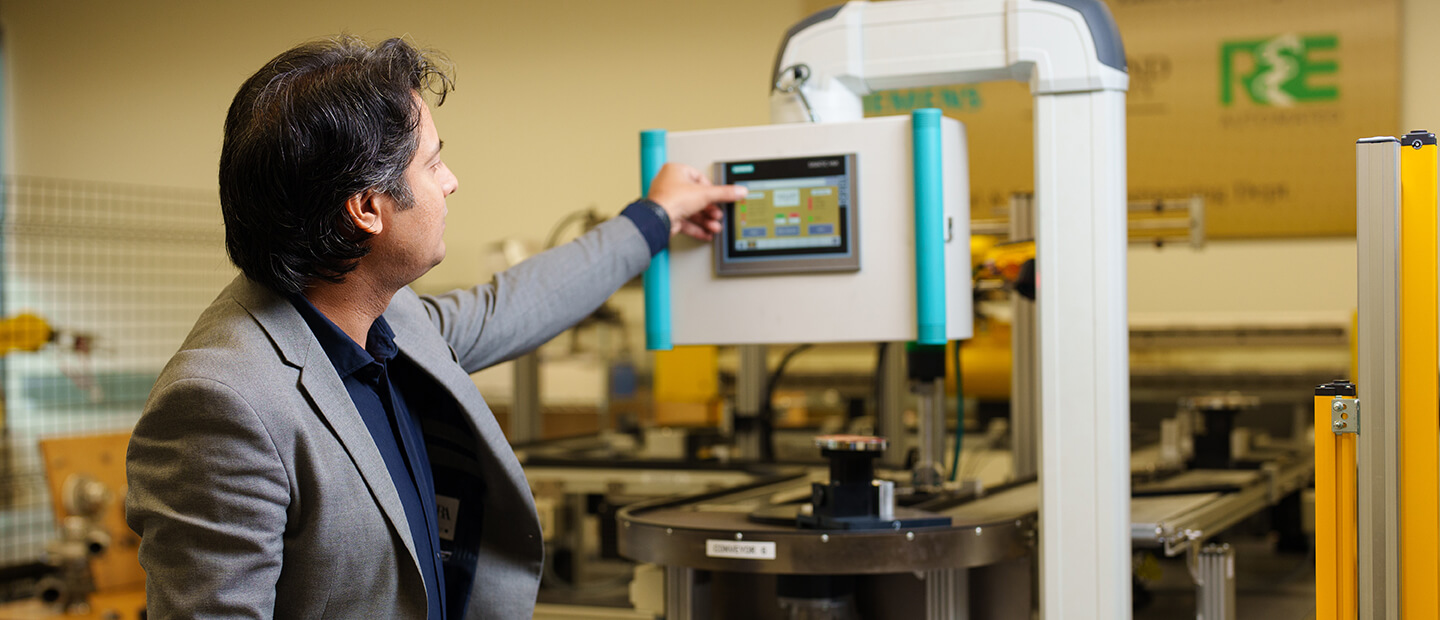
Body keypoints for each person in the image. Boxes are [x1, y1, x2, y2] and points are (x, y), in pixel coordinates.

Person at [124, 35, 742, 619]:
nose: (451, 182)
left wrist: (655, 218)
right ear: (367, 208)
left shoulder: (388, 315)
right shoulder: (221, 404)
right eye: (433, 162)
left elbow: (512, 306)